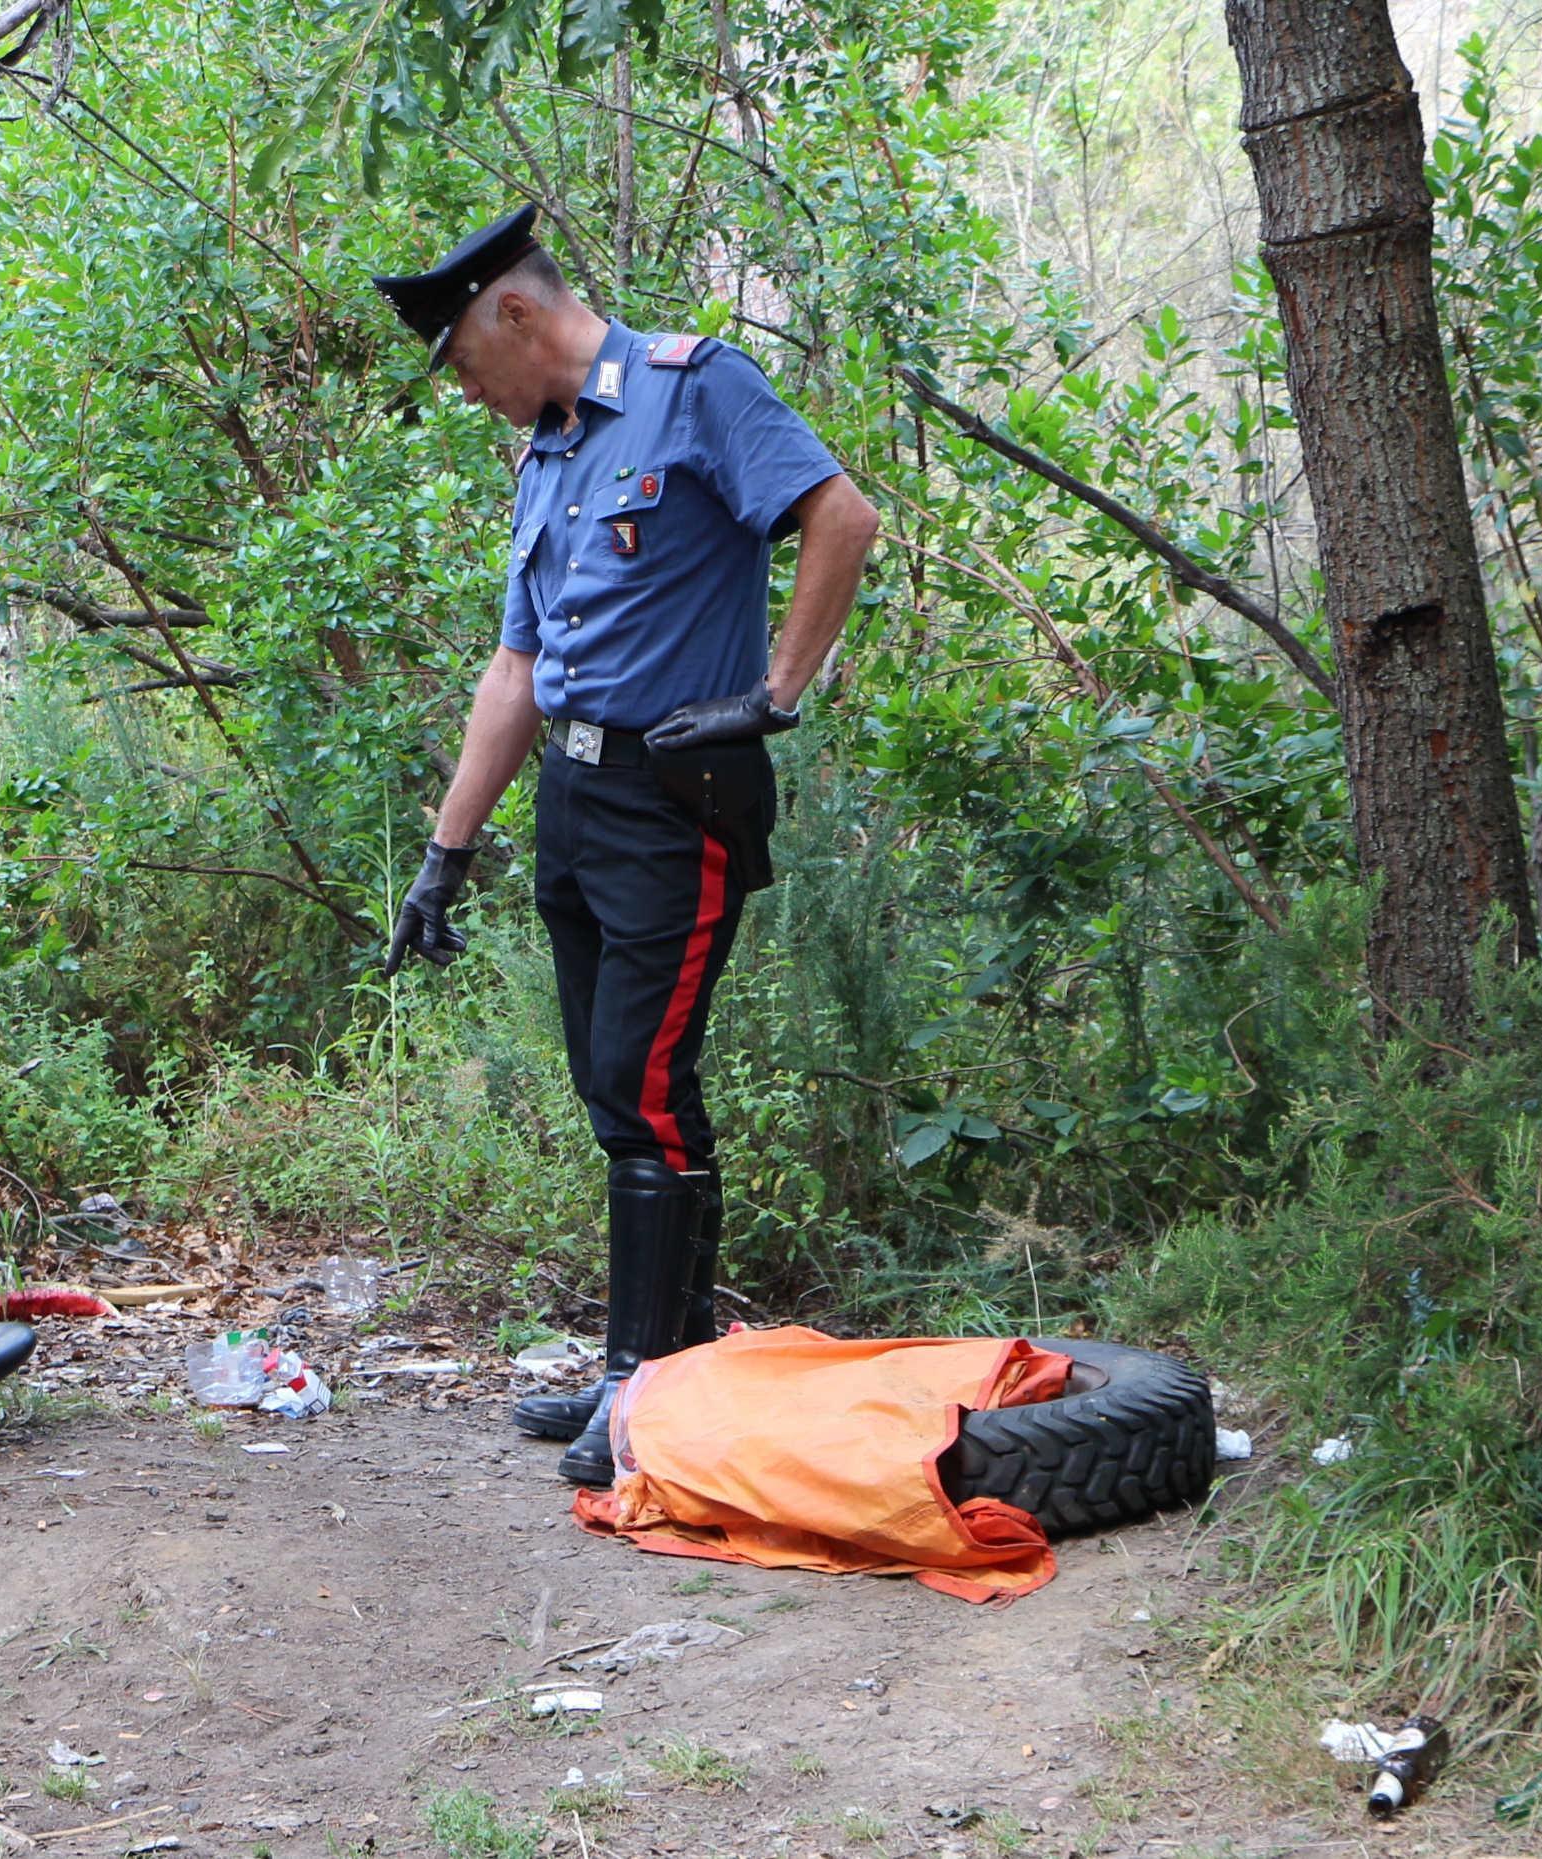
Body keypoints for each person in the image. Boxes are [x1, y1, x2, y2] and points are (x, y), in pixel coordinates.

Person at [372, 205, 879, 1487]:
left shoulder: (692, 388)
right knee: (615, 1088)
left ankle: (643, 1392)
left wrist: (774, 690)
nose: (465, 390)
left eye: (462, 362)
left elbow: (842, 518)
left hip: (671, 799)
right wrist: (447, 852)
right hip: (573, 803)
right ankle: (653, 1366)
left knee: (646, 1083)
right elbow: (516, 666)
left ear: (514, 314)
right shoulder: (546, 454)